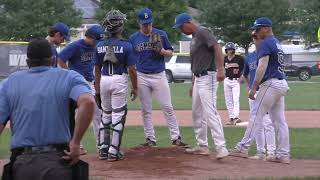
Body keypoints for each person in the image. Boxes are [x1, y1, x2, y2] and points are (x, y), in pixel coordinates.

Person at [0, 38, 95, 180]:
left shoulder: (9, 83)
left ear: (27, 62)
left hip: (23, 163)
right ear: (52, 60)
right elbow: (88, 102)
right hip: (59, 161)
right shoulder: (69, 77)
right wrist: (75, 143)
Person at [229, 17, 290, 164]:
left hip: (271, 84)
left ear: (266, 28)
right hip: (281, 84)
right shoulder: (276, 42)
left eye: (258, 29)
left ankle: (243, 147)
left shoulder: (267, 42)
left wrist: (254, 87)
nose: (256, 32)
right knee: (279, 121)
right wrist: (256, 40)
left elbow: (262, 66)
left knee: (256, 114)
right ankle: (283, 154)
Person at [173, 13, 229, 159]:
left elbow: (217, 47)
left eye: (181, 27)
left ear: (188, 22)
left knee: (210, 112)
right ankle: (202, 146)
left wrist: (221, 68)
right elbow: (195, 63)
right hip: (198, 79)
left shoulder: (202, 31)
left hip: (208, 76)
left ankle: (221, 147)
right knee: (197, 113)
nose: (181, 30)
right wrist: (193, 83)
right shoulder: (194, 37)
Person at [129, 8, 187, 147]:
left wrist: (161, 51)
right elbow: (130, 59)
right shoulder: (133, 38)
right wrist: (133, 82)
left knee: (167, 107)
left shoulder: (161, 34)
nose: (146, 26)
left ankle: (176, 138)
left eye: (148, 23)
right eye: (144, 24)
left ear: (152, 21)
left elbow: (170, 53)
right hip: (142, 75)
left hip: (159, 75)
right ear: (139, 23)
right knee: (145, 109)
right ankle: (150, 139)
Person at [94, 9, 138, 161]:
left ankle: (103, 149)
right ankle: (113, 151)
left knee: (105, 114)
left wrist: (97, 89)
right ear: (120, 27)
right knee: (118, 115)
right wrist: (135, 87)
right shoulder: (126, 46)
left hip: (104, 80)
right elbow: (132, 69)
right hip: (119, 80)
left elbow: (97, 69)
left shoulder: (99, 45)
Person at [57, 25, 105, 154]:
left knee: (97, 113)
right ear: (89, 36)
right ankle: (78, 145)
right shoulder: (76, 46)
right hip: (77, 84)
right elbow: (60, 59)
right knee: (78, 115)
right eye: (96, 40)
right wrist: (69, 75)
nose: (97, 43)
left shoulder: (95, 46)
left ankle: (101, 145)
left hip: (89, 82)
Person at [242, 32, 276, 160]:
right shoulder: (249, 57)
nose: (256, 39)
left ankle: (271, 152)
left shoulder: (267, 54)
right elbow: (245, 73)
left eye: (258, 37)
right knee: (257, 123)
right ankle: (260, 152)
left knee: (267, 122)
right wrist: (248, 86)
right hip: (252, 92)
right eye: (254, 38)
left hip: (264, 90)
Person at [223, 42, 244, 125]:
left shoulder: (239, 58)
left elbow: (245, 68)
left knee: (235, 99)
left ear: (234, 50)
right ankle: (231, 118)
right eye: (228, 49)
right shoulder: (224, 59)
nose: (229, 51)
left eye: (231, 49)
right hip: (227, 80)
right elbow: (221, 68)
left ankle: (236, 117)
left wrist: (242, 76)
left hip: (236, 81)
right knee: (228, 100)